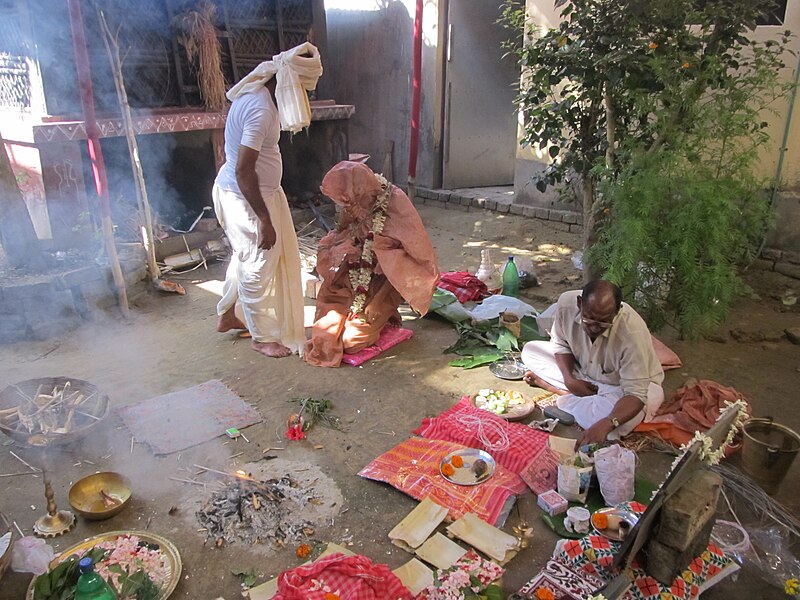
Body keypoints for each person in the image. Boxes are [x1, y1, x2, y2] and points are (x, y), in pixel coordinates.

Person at [213, 43, 322, 357]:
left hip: (260, 193)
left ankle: (226, 315)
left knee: (246, 256)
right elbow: (244, 170)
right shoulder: (260, 109)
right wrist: (263, 219)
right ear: (288, 81)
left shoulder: (263, 97)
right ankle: (262, 337)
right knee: (258, 263)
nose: (306, 96)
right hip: (245, 197)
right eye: (304, 88)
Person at [304, 161, 439, 367]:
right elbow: (336, 236)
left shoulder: (395, 205)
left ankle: (383, 317)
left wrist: (378, 301)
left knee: (350, 342)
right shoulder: (352, 205)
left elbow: (407, 266)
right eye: (342, 202)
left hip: (382, 287)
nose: (345, 205)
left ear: (359, 191)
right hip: (350, 276)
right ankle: (365, 319)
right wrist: (341, 249)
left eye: (345, 200)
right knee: (325, 336)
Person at [521, 280, 664, 447]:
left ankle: (557, 391)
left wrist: (609, 422)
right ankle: (575, 392)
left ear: (617, 312)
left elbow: (636, 394)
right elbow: (560, 344)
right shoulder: (566, 305)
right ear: (579, 303)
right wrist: (569, 379)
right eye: (589, 319)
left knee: (614, 422)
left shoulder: (632, 333)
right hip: (583, 374)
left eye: (603, 322)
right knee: (531, 351)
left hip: (622, 388)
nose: (595, 328)